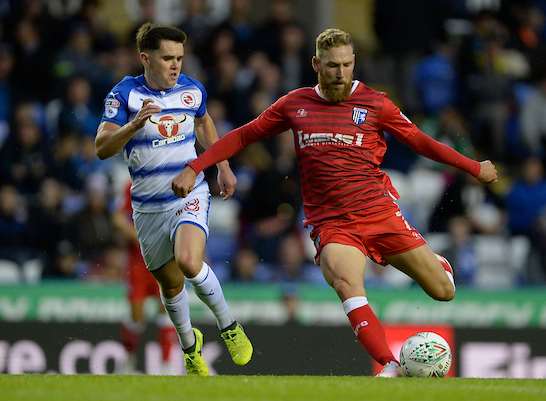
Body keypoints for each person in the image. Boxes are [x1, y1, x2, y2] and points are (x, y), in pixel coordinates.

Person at [172, 28, 498, 377]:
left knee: (444, 291)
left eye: (346, 64)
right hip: (332, 224)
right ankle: (389, 368)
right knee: (347, 284)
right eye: (332, 66)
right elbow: (244, 135)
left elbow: (420, 142)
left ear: (354, 62)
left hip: (379, 212)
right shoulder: (294, 105)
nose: (340, 73)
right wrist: (196, 166)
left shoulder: (376, 103)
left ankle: (436, 263)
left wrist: (473, 167)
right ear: (316, 64)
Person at [95, 23, 253, 376]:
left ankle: (229, 326)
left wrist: (222, 166)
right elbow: (102, 148)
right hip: (147, 206)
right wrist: (133, 126)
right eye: (168, 58)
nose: (175, 65)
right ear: (145, 58)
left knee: (188, 261)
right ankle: (189, 348)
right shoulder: (123, 96)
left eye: (179, 58)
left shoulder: (192, 90)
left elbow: (204, 124)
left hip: (188, 192)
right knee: (170, 284)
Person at [113, 181, 177, 374]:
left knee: (166, 310)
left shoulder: (174, 181)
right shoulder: (134, 184)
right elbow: (118, 218)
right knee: (137, 315)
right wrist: (140, 237)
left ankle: (167, 365)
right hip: (139, 263)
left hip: (166, 257)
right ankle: (127, 360)